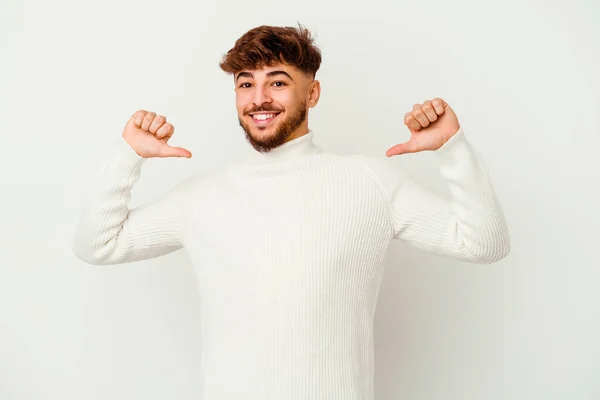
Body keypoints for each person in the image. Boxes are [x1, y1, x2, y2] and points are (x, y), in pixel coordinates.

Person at [73, 24, 510, 400]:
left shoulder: (369, 183)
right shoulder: (201, 197)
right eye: (246, 83)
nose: (258, 98)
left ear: (312, 92)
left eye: (278, 82)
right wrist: (127, 156)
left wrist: (453, 150)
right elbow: (97, 245)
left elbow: (484, 244)